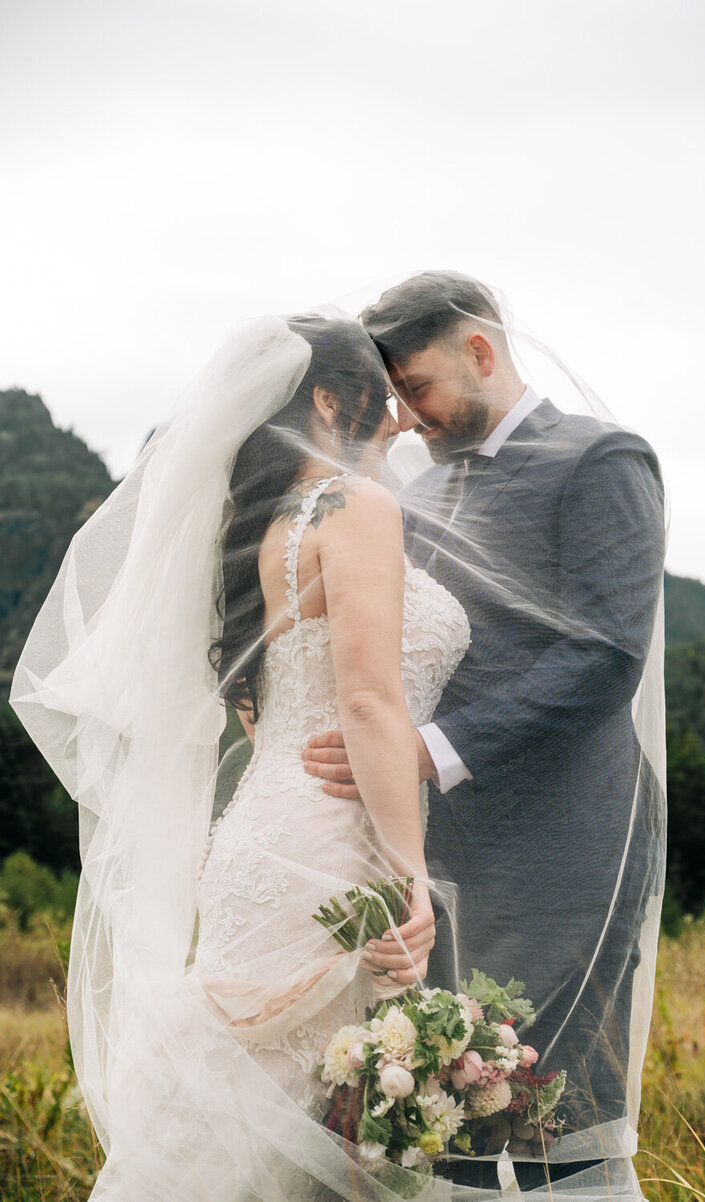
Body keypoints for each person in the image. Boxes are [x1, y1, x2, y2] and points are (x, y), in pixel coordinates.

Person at [10, 313, 472, 1200]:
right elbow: (371, 699)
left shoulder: (268, 530)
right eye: (384, 402)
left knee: (250, 1119)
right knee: (297, 1127)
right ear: (332, 401)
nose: (403, 421)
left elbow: (273, 715)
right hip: (331, 853)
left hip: (266, 835)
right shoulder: (355, 506)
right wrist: (411, 874)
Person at [303, 272, 668, 1196]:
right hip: (451, 854)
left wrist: (426, 750)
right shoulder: (414, 488)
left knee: (560, 1108)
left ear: (479, 352)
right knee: (451, 1110)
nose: (411, 416)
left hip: (570, 845)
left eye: (417, 387)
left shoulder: (601, 459)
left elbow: (606, 654)